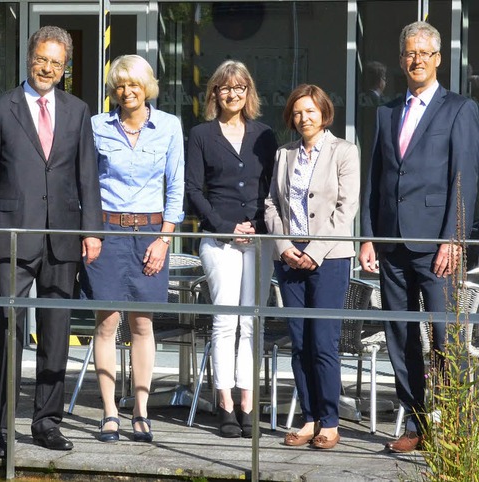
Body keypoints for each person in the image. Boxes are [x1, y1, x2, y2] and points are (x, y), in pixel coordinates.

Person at [0, 26, 103, 457]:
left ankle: (47, 422)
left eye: (56, 62)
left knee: (56, 333)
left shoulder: (78, 110)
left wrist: (91, 230)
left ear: (65, 68)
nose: (47, 68)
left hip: (63, 237)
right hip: (13, 236)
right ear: (28, 59)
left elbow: (87, 175)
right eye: (41, 60)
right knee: (9, 332)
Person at [359, 21, 479, 453]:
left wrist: (453, 239)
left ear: (438, 59)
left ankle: (453, 425)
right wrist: (368, 236)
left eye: (425, 54)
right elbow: (375, 178)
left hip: (438, 247)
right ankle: (416, 423)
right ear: (401, 58)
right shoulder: (387, 111)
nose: (417, 60)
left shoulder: (459, 109)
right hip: (391, 245)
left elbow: (465, 178)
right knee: (401, 336)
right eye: (410, 53)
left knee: (446, 338)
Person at [83, 54, 184, 443]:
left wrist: (165, 238)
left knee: (143, 324)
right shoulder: (96, 126)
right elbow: (86, 184)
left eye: (134, 85)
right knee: (106, 323)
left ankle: (140, 411)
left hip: (150, 233)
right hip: (106, 231)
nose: (127, 92)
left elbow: (176, 186)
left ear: (147, 88)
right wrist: (90, 233)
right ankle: (109, 412)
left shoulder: (169, 127)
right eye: (120, 85)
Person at [265, 84, 360, 450]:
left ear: (324, 112)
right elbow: (271, 204)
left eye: (311, 111)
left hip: (329, 258)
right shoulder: (283, 154)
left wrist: (314, 251)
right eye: (298, 112)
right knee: (300, 342)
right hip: (289, 257)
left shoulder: (344, 152)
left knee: (323, 341)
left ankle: (330, 420)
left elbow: (345, 209)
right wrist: (285, 245)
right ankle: (308, 418)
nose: (304, 118)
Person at [185, 60, 277, 438]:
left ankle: (247, 404)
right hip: (219, 240)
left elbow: (273, 189)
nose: (232, 93)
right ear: (214, 94)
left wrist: (255, 226)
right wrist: (225, 227)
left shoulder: (265, 135)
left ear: (248, 92)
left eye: (239, 87)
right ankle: (224, 403)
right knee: (225, 322)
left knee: (251, 321)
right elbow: (193, 190)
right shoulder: (201, 134)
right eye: (225, 88)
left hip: (258, 239)